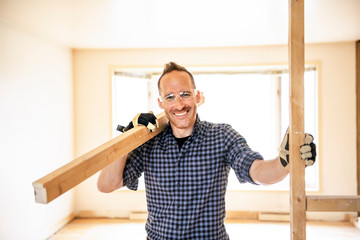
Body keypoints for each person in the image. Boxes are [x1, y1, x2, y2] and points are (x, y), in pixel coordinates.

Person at [97, 62, 316, 240]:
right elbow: (106, 185)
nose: (179, 104)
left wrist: (285, 162)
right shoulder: (149, 144)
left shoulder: (221, 136)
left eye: (185, 94)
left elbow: (257, 171)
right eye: (170, 97)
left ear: (197, 96)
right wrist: (128, 137)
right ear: (161, 103)